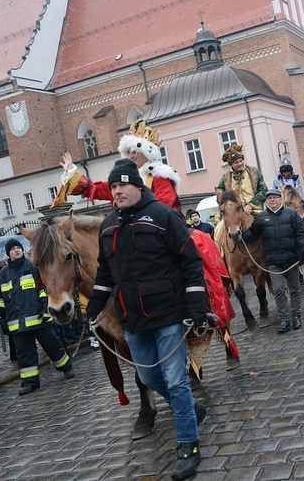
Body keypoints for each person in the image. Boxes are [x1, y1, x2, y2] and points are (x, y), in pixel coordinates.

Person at [84, 158, 207, 480]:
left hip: (168, 313)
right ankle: (192, 411)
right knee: (150, 379)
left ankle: (188, 444)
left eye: (123, 184)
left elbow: (190, 261)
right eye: (113, 186)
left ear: (138, 186)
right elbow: (104, 272)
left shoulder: (164, 216)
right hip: (132, 318)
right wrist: (94, 305)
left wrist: (195, 305)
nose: (117, 191)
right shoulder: (108, 225)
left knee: (177, 381)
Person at [0, 239, 74, 395]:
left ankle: (66, 368)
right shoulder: (3, 274)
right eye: (13, 249)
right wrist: (1, 318)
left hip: (39, 319)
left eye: (19, 247)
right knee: (24, 354)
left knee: (52, 346)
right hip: (17, 324)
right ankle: (30, 382)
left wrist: (45, 310)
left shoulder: (32, 266)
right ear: (8, 253)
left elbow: (43, 290)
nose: (17, 250)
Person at [55, 120, 181, 211]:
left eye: (136, 152)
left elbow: (164, 208)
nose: (131, 156)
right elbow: (93, 189)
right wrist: (71, 170)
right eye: (128, 152)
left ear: (148, 153)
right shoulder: (120, 181)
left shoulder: (159, 177)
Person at [238, 188, 304, 333]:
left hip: (291, 259)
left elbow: (300, 234)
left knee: (294, 289)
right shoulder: (261, 218)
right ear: (267, 201)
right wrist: (241, 236)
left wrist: (303, 252)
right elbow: (253, 234)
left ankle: (296, 317)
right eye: (269, 198)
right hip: (273, 261)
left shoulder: (292, 214)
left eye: (275, 197)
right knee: (278, 290)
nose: (272, 200)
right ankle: (284, 319)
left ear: (280, 199)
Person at [215, 143, 268, 213]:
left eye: (241, 161)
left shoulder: (254, 171)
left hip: (255, 210)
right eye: (236, 162)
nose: (240, 164)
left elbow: (264, 190)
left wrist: (250, 205)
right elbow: (219, 197)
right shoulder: (225, 178)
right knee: (220, 224)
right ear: (231, 165)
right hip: (234, 213)